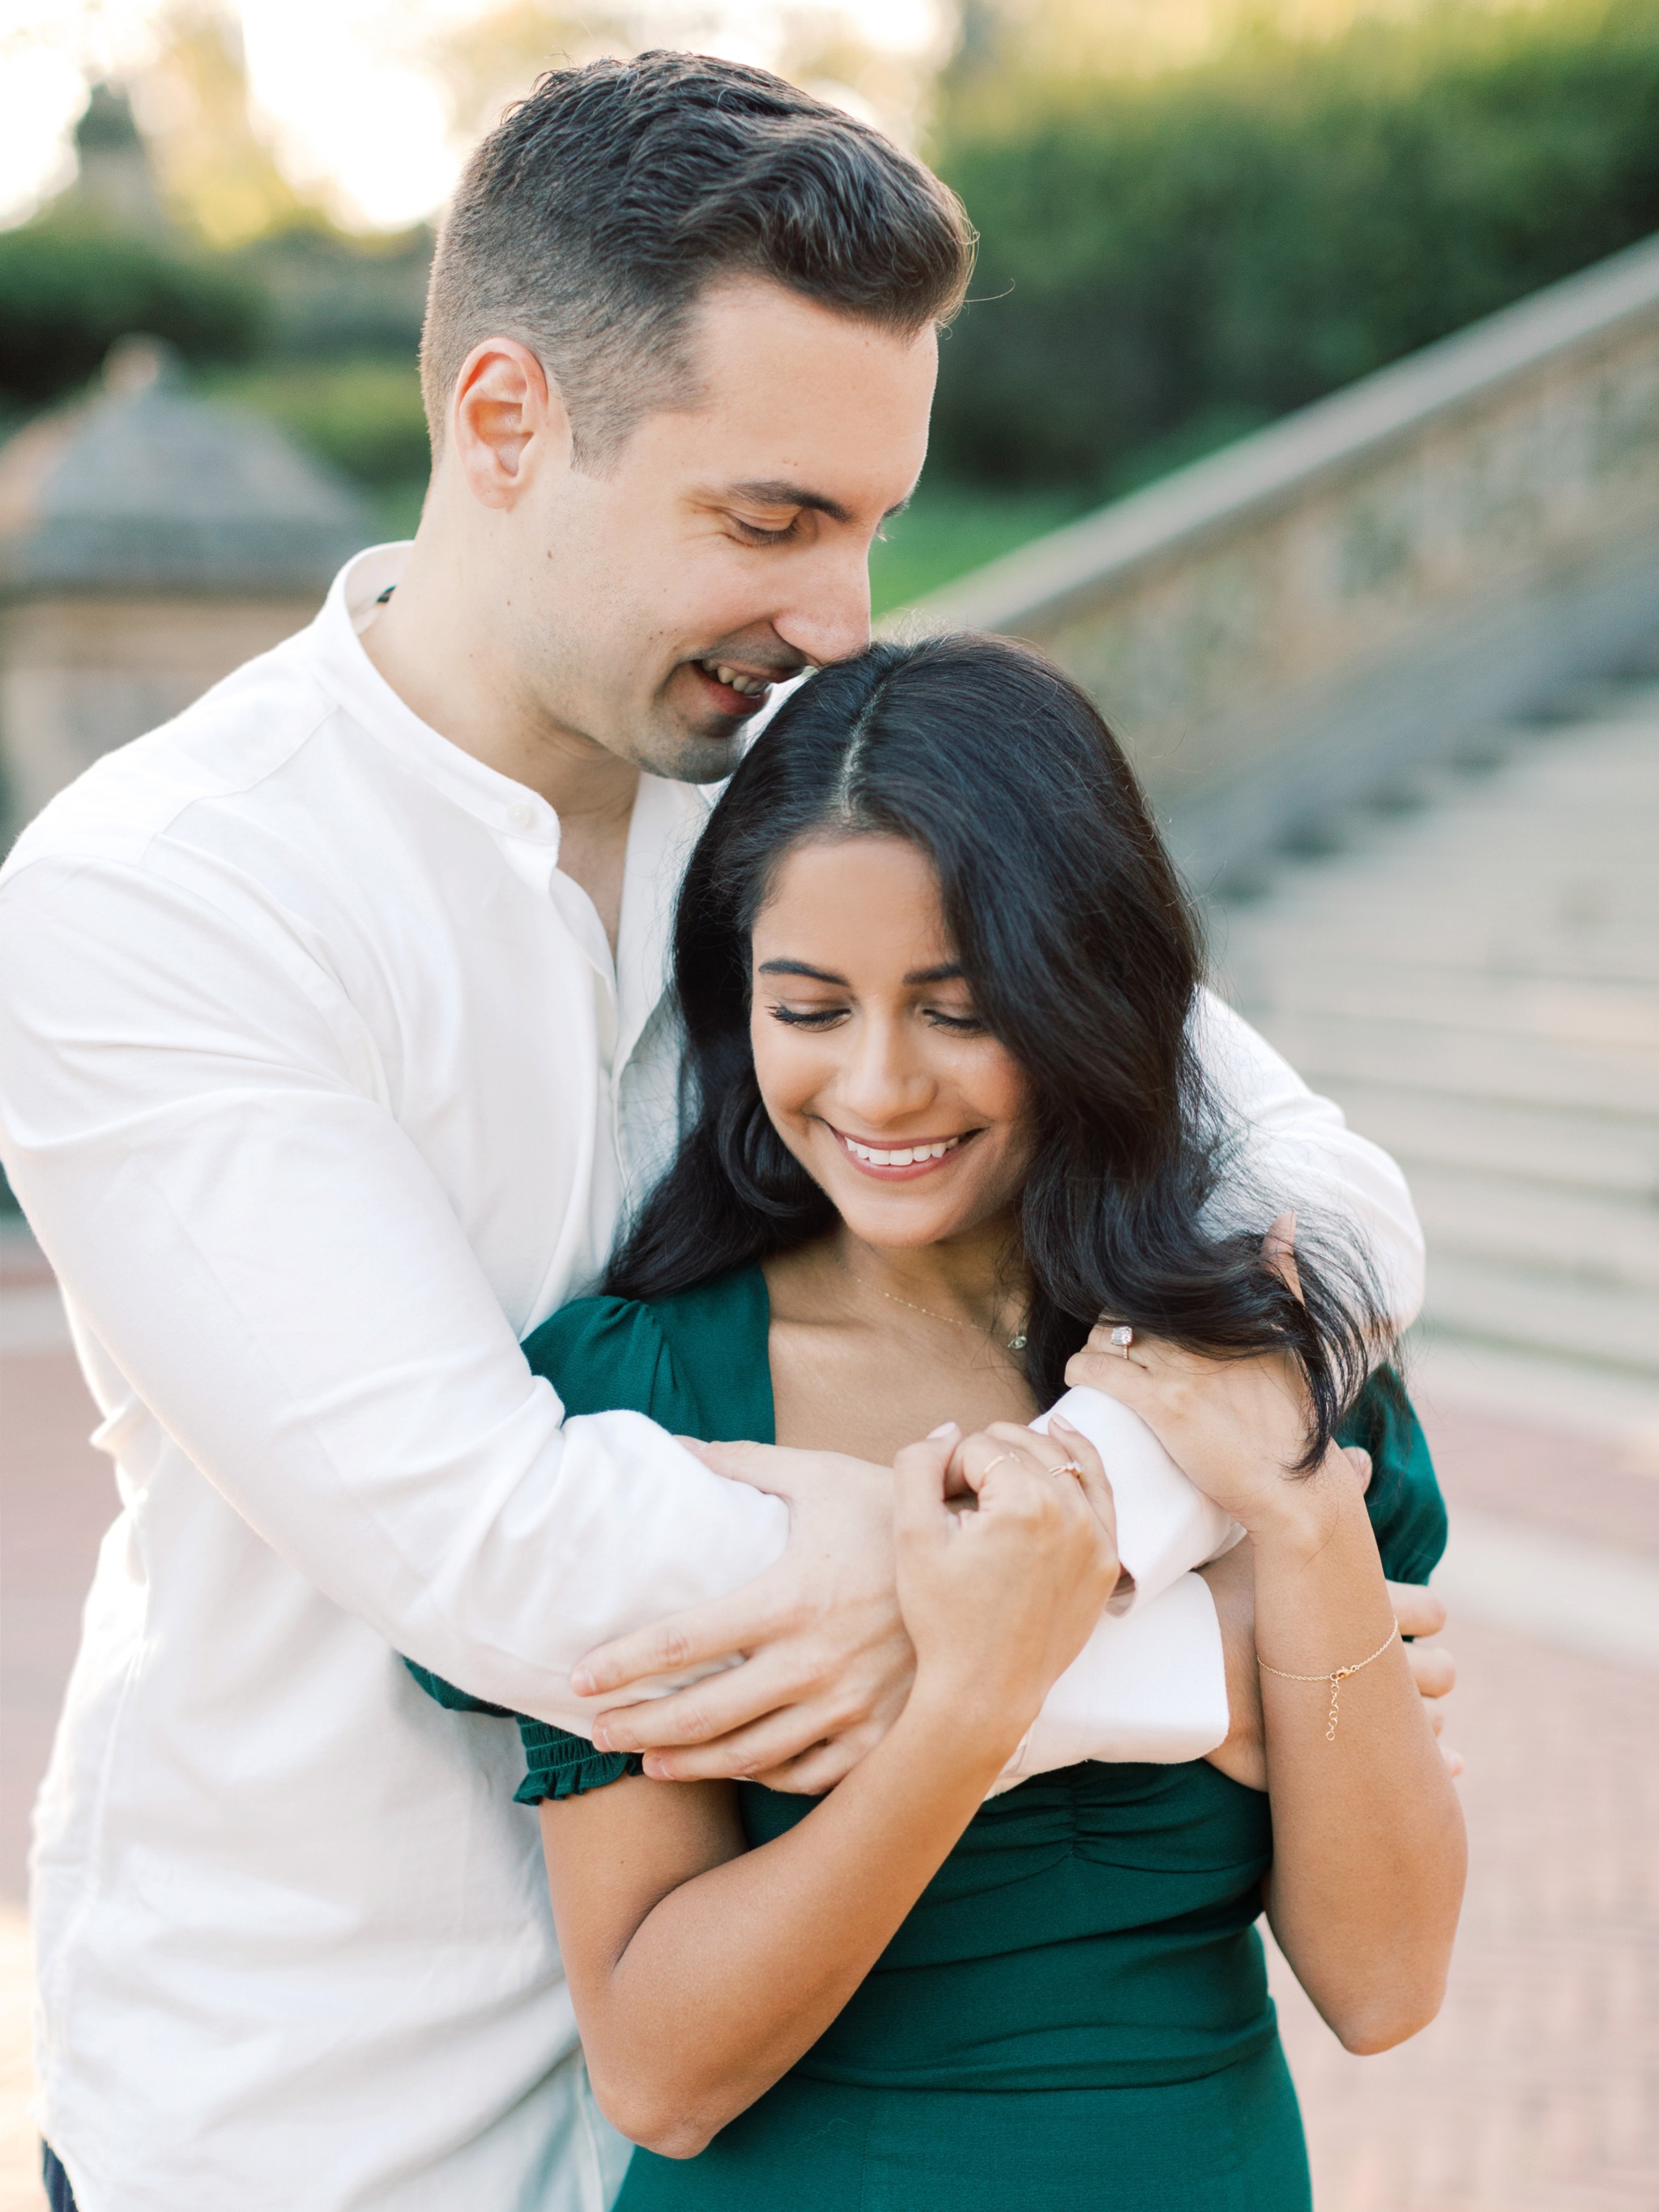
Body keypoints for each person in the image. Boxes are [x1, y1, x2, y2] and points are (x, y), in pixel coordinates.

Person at [0, 53, 1436, 2212]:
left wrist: (1112, 1486)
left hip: (792, 2127)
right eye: (771, 521)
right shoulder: (164, 893)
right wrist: (1213, 1656)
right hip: (315, 2120)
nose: (845, 617)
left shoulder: (802, 800)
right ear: (508, 422)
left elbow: (1322, 1198)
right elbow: (516, 1556)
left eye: (870, 520)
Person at [415, 633, 1465, 2210]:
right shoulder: (644, 1395)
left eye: (956, 1007)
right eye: (810, 1008)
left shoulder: (1262, 1356)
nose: (879, 1084)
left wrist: (1303, 1516)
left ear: (1087, 991)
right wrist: (975, 1699)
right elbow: (660, 2070)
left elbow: (1382, 1984)